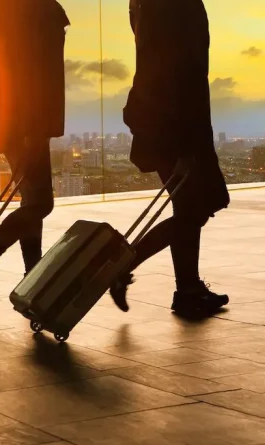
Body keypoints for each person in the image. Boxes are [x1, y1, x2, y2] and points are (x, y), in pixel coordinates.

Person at [109, 0, 231, 318]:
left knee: (189, 208)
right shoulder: (175, 6)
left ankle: (188, 288)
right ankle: (126, 265)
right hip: (178, 126)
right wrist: (187, 146)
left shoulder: (147, 5)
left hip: (164, 121)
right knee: (193, 211)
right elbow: (181, 75)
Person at [0, 0, 70, 301]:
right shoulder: (31, 8)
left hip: (15, 117)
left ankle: (32, 275)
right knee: (40, 203)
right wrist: (33, 128)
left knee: (33, 201)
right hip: (24, 120)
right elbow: (32, 69)